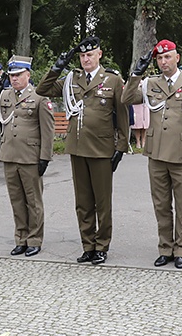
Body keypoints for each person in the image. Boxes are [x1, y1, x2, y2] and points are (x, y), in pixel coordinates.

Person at [36, 35, 129, 265]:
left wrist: (121, 146)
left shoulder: (112, 79)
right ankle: (88, 245)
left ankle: (102, 246)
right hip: (77, 146)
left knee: (102, 202)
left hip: (101, 148)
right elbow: (43, 89)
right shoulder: (71, 79)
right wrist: (57, 66)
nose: (86, 59)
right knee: (83, 201)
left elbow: (122, 115)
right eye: (82, 55)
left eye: (90, 54)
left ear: (99, 54)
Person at [122, 39, 182, 269]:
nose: (163, 61)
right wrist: (136, 74)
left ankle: (181, 249)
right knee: (161, 204)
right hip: (156, 153)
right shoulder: (150, 83)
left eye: (167, 57)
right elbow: (126, 99)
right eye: (160, 58)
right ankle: (165, 247)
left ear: (177, 57)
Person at [0, 56, 54, 257]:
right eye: (12, 75)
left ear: (28, 75)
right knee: (16, 200)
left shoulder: (39, 96)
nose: (14, 79)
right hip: (9, 154)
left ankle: (34, 239)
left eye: (18, 75)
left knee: (33, 200)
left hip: (30, 156)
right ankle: (21, 238)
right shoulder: (5, 95)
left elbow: (48, 130)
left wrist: (45, 158)